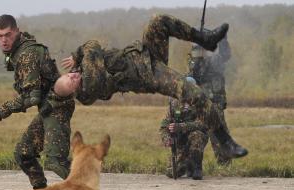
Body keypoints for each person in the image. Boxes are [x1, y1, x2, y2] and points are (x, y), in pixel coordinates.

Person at [58, 14, 248, 160]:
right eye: (71, 82)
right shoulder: (89, 86)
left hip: (146, 52)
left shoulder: (82, 71)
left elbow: (92, 50)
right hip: (150, 75)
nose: (73, 76)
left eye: (69, 75)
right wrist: (78, 53)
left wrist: (78, 57)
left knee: (158, 21)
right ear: (74, 92)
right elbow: (93, 46)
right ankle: (225, 141)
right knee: (193, 94)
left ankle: (204, 39)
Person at [0, 14, 106, 190]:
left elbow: (31, 97)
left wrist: (5, 108)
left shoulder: (27, 55)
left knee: (56, 161)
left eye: (8, 35)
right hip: (47, 108)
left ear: (17, 31)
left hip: (57, 107)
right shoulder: (19, 51)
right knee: (23, 153)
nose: (4, 40)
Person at [188, 36, 232, 165]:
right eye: (195, 51)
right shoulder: (193, 65)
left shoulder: (215, 61)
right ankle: (191, 165)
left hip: (215, 104)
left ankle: (224, 166)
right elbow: (191, 79)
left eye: (200, 50)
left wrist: (223, 39)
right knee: (196, 135)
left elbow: (225, 54)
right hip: (200, 106)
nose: (198, 54)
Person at [160, 97, 208, 180]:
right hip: (180, 141)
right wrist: (167, 139)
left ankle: (197, 168)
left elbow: (202, 123)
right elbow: (164, 126)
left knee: (196, 135)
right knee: (171, 172)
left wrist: (181, 126)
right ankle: (187, 165)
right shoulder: (174, 104)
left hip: (196, 137)